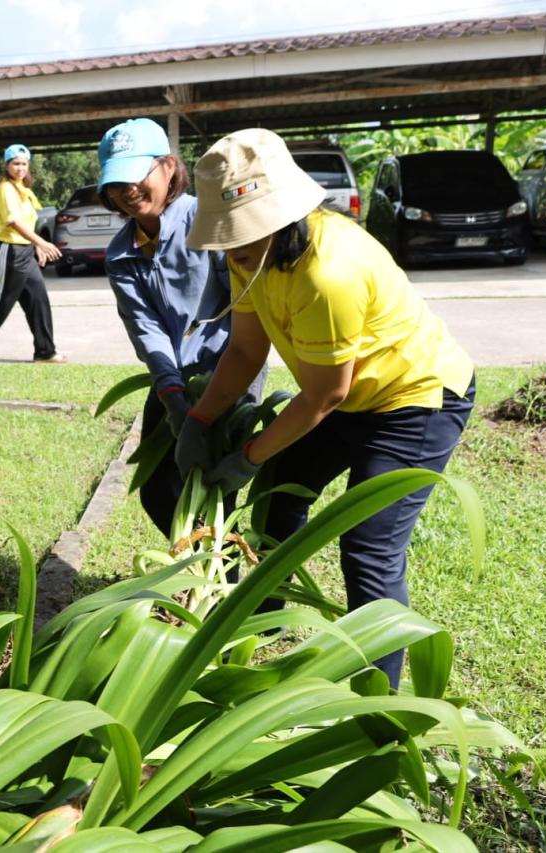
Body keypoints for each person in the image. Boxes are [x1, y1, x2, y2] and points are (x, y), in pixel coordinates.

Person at [186, 128, 476, 688]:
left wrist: (244, 456)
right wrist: (199, 419)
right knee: (280, 491)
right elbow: (246, 349)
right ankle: (263, 626)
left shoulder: (327, 272)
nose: (232, 254)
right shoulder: (251, 253)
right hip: (350, 396)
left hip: (415, 400)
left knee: (368, 547)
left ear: (279, 219)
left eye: (240, 244)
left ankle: (377, 701)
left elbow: (325, 397)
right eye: (229, 243)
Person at [97, 118, 262, 532]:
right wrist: (172, 396)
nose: (127, 192)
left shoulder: (207, 221)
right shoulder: (120, 254)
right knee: (157, 488)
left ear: (169, 167)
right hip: (172, 378)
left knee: (217, 487)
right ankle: (192, 569)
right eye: (116, 184)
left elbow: (245, 307)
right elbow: (145, 326)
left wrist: (225, 392)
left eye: (137, 177)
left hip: (229, 370)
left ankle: (222, 579)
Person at [0, 143, 65, 368]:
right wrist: (42, 242)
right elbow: (13, 222)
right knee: (2, 303)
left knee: (38, 299)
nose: (20, 168)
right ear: (7, 165)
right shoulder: (5, 189)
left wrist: (35, 247)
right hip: (9, 251)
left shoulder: (23, 189)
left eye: (24, 164)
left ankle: (45, 352)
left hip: (26, 252)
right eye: (15, 163)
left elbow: (28, 222)